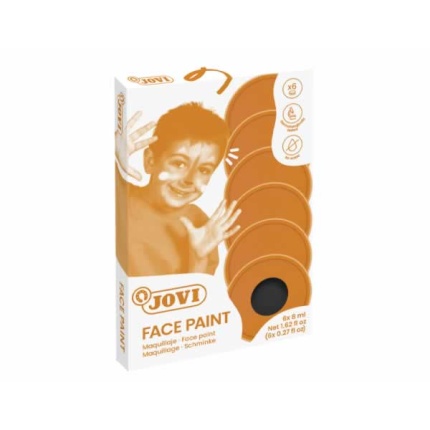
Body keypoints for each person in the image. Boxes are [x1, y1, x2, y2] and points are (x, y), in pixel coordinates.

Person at [115, 102, 241, 276]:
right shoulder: (119, 195)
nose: (189, 179)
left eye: (204, 170)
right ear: (150, 161)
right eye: (179, 163)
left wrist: (199, 258)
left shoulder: (202, 226)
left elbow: (197, 292)